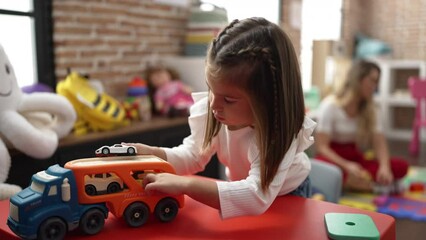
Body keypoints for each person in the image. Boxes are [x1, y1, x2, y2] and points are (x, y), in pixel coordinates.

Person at [124, 17, 316, 219]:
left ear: (267, 100)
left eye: (229, 99)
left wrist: (186, 184)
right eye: (211, 89)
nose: (213, 104)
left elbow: (256, 196)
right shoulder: (215, 108)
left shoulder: (279, 131)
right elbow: (192, 156)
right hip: (245, 191)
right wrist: (152, 153)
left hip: (289, 197)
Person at [314, 60, 408, 193]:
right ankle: (374, 186)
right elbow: (322, 147)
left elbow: (379, 143)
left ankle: (358, 184)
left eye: (376, 82)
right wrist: (346, 165)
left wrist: (384, 167)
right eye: (372, 81)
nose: (374, 87)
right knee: (325, 169)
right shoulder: (330, 106)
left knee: (401, 166)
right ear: (358, 79)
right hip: (334, 157)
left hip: (355, 157)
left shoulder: (372, 109)